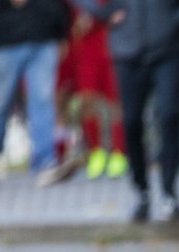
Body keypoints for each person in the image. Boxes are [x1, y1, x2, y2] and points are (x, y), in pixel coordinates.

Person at [81, 0, 179, 222]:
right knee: (130, 122)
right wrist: (102, 12)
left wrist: (176, 21)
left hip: (168, 50)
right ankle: (142, 192)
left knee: (169, 116)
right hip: (126, 50)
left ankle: (169, 191)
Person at [0, 0, 70, 185]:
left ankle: (46, 164)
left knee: (43, 102)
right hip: (8, 41)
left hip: (44, 38)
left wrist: (62, 34)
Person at [63, 0, 127, 179]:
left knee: (115, 100)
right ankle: (96, 152)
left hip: (113, 41)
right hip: (85, 45)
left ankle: (119, 152)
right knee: (88, 101)